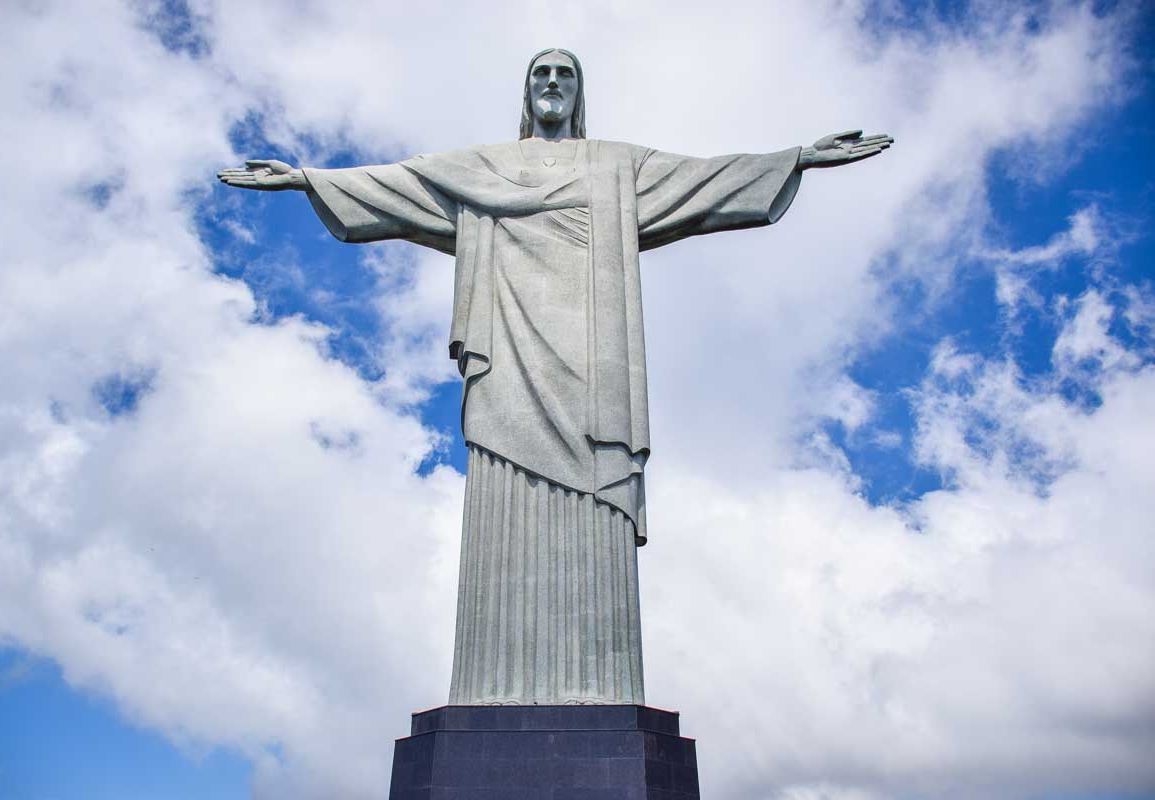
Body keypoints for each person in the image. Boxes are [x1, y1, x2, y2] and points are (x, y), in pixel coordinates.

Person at [218, 47, 892, 706]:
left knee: (595, 498)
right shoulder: (482, 168)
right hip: (509, 361)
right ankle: (493, 684)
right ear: (525, 91)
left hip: (595, 372)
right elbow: (398, 184)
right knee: (502, 491)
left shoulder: (616, 167)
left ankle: (598, 684)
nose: (551, 83)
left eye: (564, 74)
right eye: (540, 73)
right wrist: (308, 178)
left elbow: (706, 181)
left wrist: (798, 156)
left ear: (578, 93)